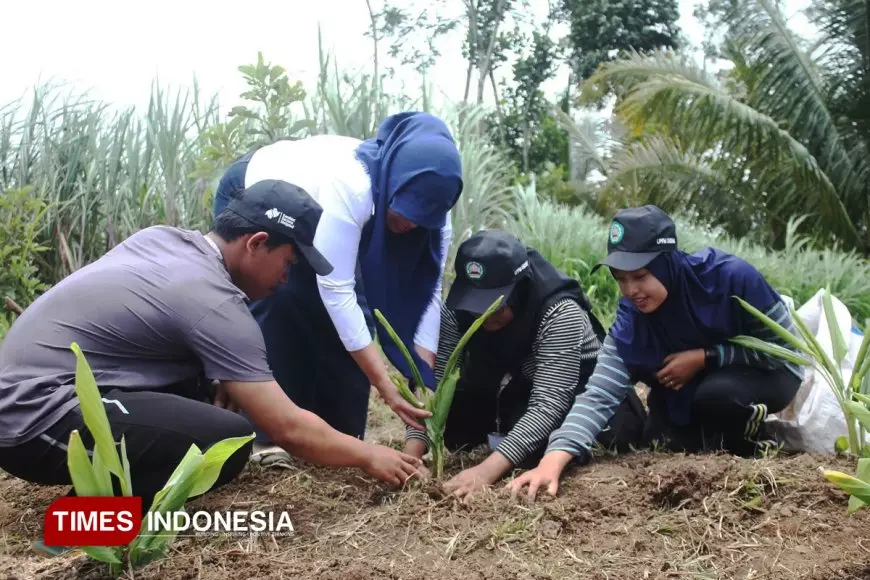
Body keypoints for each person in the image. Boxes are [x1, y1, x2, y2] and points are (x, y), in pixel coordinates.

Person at [0, 180, 423, 510]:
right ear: (257, 243)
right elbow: (286, 428)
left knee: (202, 403)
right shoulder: (212, 298)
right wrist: (369, 455)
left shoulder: (164, 241)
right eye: (289, 263)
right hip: (34, 419)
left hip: (28, 398)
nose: (286, 279)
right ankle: (78, 526)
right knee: (230, 440)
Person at [212, 112, 463, 463]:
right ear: (392, 182)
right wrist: (385, 386)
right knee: (280, 299)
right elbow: (336, 289)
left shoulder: (434, 206)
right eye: (403, 212)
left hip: (322, 217)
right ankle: (266, 441)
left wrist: (421, 374)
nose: (408, 225)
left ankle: (340, 435)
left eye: (419, 220)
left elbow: (429, 294)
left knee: (348, 319)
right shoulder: (352, 185)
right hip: (257, 190)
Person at [507, 205, 804, 500]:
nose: (630, 290)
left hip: (768, 374)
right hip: (689, 388)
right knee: (663, 442)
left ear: (666, 263)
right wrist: (552, 461)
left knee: (719, 397)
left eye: (639, 276)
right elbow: (599, 393)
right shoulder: (631, 319)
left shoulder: (729, 278)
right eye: (620, 279)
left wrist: (709, 356)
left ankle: (755, 440)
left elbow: (789, 351)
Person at [404, 230, 647, 500]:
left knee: (544, 441)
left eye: (495, 307)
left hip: (573, 389)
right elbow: (436, 381)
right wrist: (410, 457)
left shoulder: (559, 312)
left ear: (518, 289)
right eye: (476, 306)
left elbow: (549, 403)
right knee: (459, 427)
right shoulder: (456, 307)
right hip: (512, 383)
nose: (484, 317)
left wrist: (485, 472)